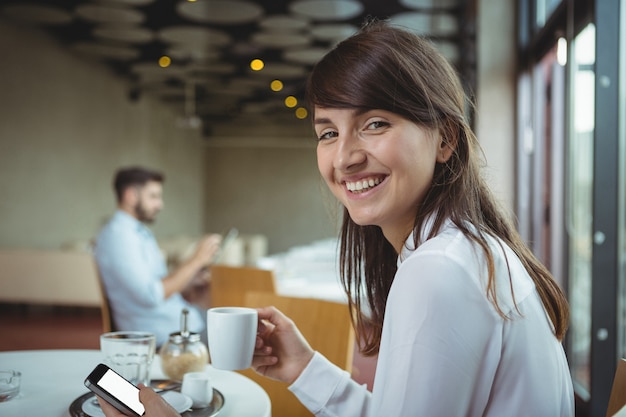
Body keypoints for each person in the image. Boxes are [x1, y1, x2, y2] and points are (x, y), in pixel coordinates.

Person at [99, 20, 574, 417]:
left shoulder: (438, 270)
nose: (344, 158)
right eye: (328, 132)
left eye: (375, 124)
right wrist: (304, 367)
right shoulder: (470, 249)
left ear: (445, 139)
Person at [94, 166, 221, 347]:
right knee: (239, 338)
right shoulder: (119, 236)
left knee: (233, 325)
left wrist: (189, 280)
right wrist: (196, 260)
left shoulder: (137, 232)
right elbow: (151, 295)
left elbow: (159, 283)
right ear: (131, 196)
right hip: (163, 333)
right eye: (153, 196)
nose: (160, 205)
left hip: (178, 321)